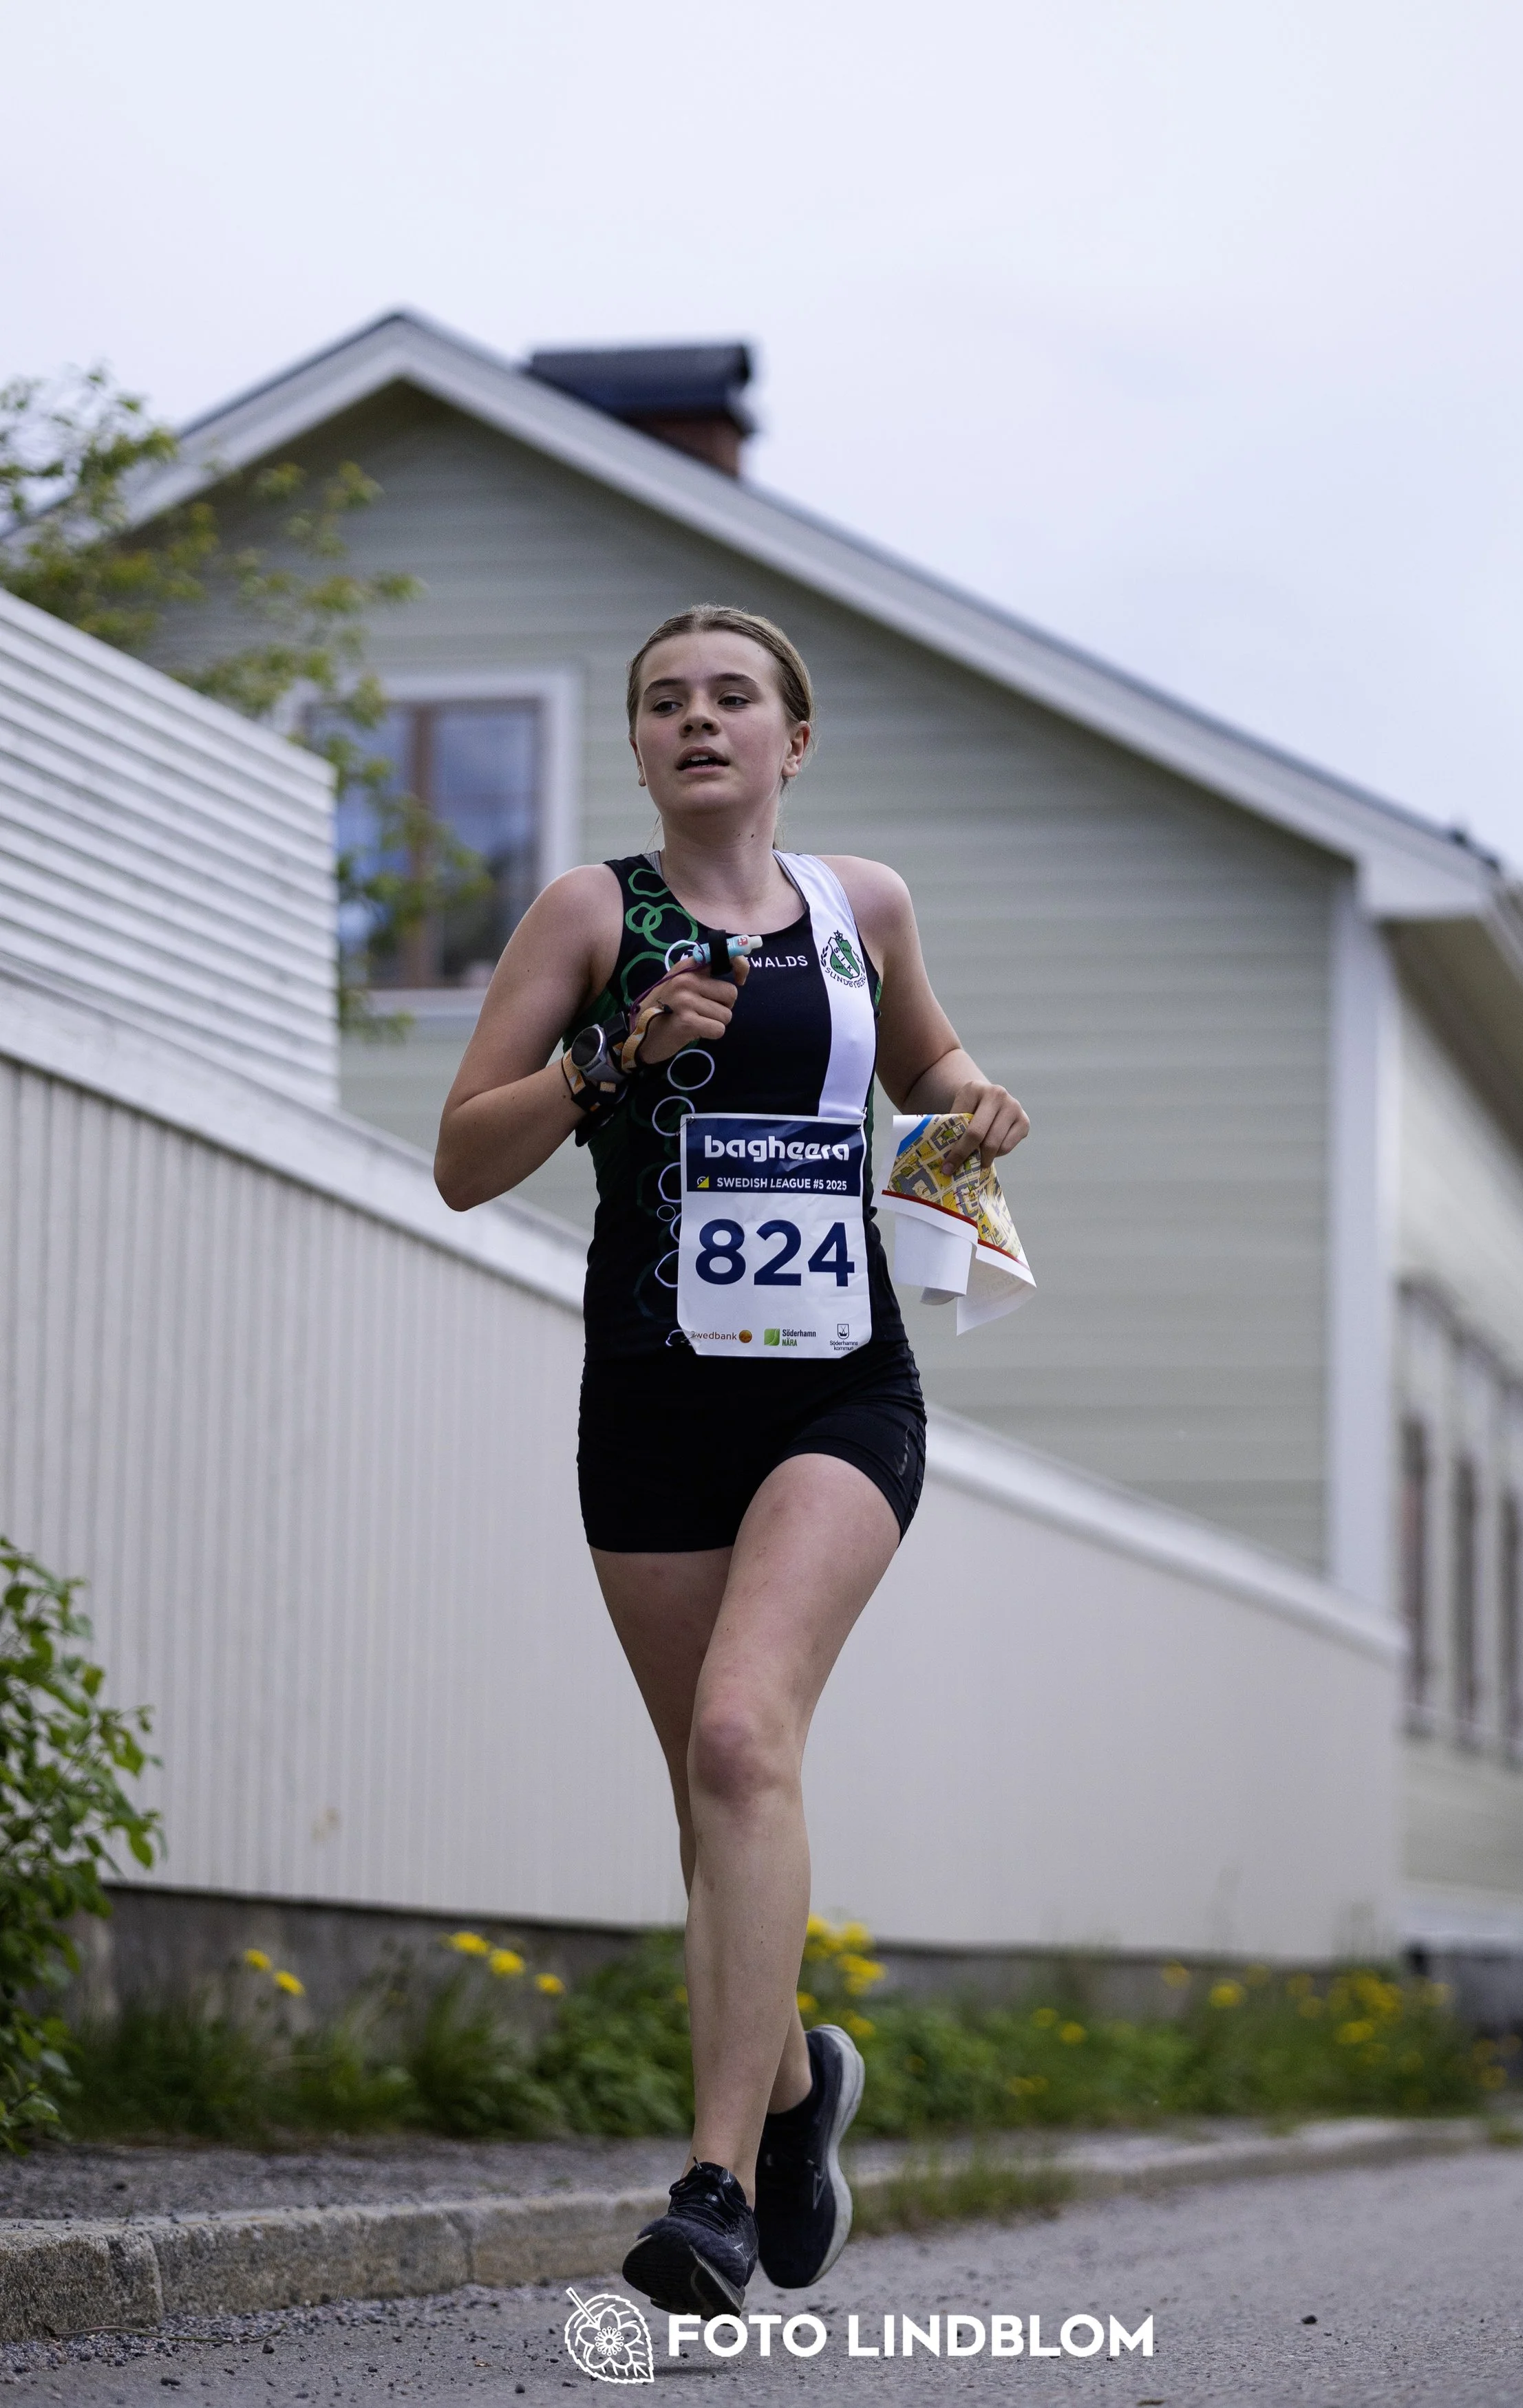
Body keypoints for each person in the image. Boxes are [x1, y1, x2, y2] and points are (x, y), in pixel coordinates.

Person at [434, 604, 1029, 2316]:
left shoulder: (864, 907)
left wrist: (976, 1099)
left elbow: (930, 1059)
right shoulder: (588, 913)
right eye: (662, 702)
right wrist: (611, 1055)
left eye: (732, 698)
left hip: (838, 1381)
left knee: (736, 1733)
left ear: (793, 738)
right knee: (717, 1806)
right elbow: (464, 1158)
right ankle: (791, 2092)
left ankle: (708, 2186)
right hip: (650, 1392)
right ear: (635, 746)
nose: (697, 721)